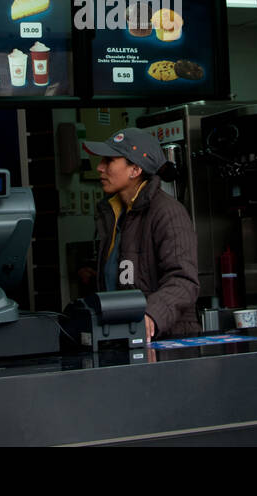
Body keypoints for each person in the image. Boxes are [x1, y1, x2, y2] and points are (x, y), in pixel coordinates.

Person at [82, 128, 200, 340]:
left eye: (109, 161)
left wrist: (151, 316)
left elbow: (184, 281)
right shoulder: (115, 213)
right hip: (126, 337)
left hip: (167, 341)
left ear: (135, 169)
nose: (99, 168)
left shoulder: (168, 213)